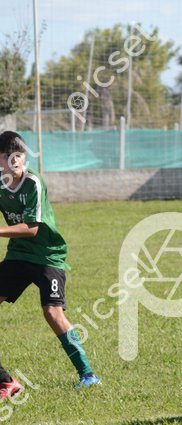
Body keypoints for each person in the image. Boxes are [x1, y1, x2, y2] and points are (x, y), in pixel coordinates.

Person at [0, 131, 101, 390]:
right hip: (19, 255)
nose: (15, 161)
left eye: (19, 155)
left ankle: (88, 375)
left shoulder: (33, 182)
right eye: (8, 156)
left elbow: (32, 228)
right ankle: (6, 382)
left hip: (48, 255)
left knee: (52, 313)